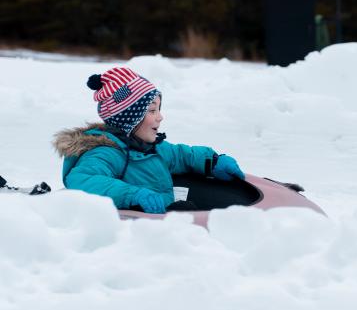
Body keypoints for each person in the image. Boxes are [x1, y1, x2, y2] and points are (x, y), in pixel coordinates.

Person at [53, 66, 244, 214]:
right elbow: (81, 180)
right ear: (128, 119)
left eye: (159, 109)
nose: (160, 117)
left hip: (163, 218)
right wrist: (132, 195)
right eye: (152, 111)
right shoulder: (106, 152)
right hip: (140, 234)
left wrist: (212, 161)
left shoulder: (151, 148)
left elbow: (181, 155)